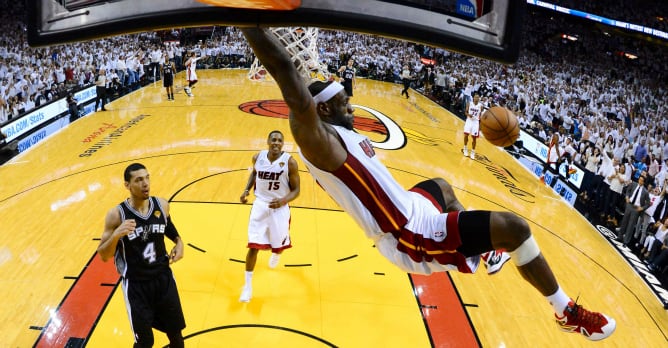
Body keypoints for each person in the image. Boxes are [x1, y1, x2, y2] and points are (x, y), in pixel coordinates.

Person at [241, 27, 615, 341]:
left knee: (441, 185)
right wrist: (244, 18)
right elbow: (284, 69)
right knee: (515, 229)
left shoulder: (343, 131)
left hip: (409, 205)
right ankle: (565, 310)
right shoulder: (321, 143)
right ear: (321, 110)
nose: (353, 108)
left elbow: (303, 75)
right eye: (344, 103)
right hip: (407, 234)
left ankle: (484, 252)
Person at [97, 163, 186, 347]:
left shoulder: (161, 205)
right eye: (138, 180)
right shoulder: (116, 215)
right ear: (127, 185)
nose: (145, 183)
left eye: (147, 177)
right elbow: (104, 255)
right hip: (136, 286)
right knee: (145, 342)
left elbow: (169, 228)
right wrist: (116, 235)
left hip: (163, 280)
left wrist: (179, 242)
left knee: (176, 337)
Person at [238, 130, 301, 302]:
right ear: (267, 141)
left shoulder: (290, 163)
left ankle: (277, 252)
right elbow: (254, 173)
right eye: (273, 139)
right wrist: (246, 190)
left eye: (280, 140)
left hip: (280, 208)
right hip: (260, 205)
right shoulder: (258, 157)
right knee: (253, 246)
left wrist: (282, 201)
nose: (276, 142)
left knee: (278, 244)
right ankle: (247, 287)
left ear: (283, 144)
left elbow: (296, 190)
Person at [617, 173, 650, 245]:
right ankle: (619, 237)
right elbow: (628, 191)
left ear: (644, 182)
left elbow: (648, 203)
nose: (640, 181)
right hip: (629, 205)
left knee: (631, 225)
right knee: (624, 221)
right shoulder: (634, 184)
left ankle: (626, 241)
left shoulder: (645, 191)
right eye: (639, 180)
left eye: (641, 181)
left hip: (636, 209)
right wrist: (626, 197)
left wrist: (642, 208)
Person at [463, 93, 483, 160]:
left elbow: (480, 116)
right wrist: (468, 115)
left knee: (474, 138)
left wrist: (480, 125)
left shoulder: (480, 106)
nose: (476, 98)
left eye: (478, 97)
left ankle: (472, 152)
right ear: (473, 98)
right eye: (475, 97)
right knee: (466, 135)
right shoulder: (469, 103)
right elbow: (465, 112)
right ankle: (465, 148)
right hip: (469, 120)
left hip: (475, 122)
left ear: (479, 99)